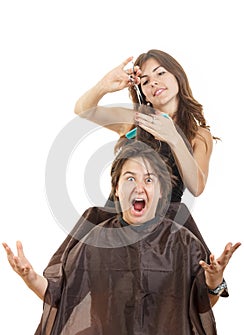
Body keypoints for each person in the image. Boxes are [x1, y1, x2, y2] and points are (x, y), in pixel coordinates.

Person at [3, 141, 241, 335]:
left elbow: (203, 303)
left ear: (160, 192)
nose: (139, 187)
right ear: (116, 189)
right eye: (130, 178)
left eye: (149, 179)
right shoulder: (95, 241)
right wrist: (30, 277)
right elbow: (59, 294)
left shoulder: (183, 242)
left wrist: (214, 281)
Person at [73, 49, 216, 252]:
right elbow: (83, 109)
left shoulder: (198, 135)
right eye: (146, 81)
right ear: (143, 93)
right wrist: (103, 86)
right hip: (120, 219)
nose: (154, 83)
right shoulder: (135, 120)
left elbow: (197, 187)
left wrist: (174, 138)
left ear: (178, 75)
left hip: (163, 231)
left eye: (160, 73)